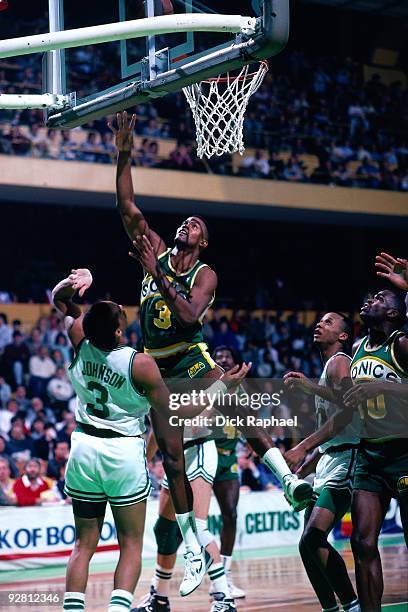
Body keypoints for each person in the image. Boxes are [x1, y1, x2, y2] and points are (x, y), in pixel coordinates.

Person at [110, 111, 313, 612]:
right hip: (157, 369)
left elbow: (186, 317)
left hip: (189, 356)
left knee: (236, 400)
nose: (187, 223)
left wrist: (157, 273)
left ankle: (286, 480)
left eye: (196, 225)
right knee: (172, 460)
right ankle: (195, 554)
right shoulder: (154, 246)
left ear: (202, 242)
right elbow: (127, 204)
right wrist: (123, 152)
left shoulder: (205, 273)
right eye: (186, 221)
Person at [52, 267, 249, 612]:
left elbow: (60, 300)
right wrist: (221, 386)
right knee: (129, 545)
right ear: (117, 331)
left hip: (83, 446)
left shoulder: (78, 342)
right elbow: (177, 411)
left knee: (83, 546)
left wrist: (71, 283)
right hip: (122, 451)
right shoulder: (139, 363)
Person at [284, 313, 360, 612]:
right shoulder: (328, 367)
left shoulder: (340, 360)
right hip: (329, 459)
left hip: (348, 458)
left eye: (329, 322)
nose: (320, 324)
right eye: (320, 321)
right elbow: (331, 432)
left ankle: (352, 604)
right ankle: (330, 608)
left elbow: (348, 408)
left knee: (314, 536)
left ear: (343, 336)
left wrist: (303, 446)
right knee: (306, 544)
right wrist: (308, 466)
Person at [342, 278, 408, 612]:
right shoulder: (357, 349)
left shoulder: (402, 344)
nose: (371, 300)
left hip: (404, 453)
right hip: (369, 455)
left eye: (380, 298)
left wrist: (381, 390)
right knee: (362, 542)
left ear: (395, 313)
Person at [211, 346, 245, 600]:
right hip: (204, 455)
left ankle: (225, 575)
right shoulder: (206, 385)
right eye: (218, 357)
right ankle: (212, 572)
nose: (223, 360)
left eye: (227, 357)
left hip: (228, 459)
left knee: (230, 515)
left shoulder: (241, 390)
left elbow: (247, 419)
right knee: (190, 521)